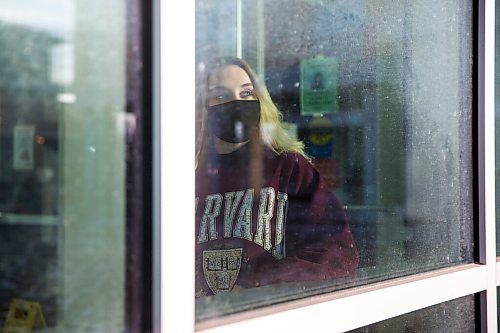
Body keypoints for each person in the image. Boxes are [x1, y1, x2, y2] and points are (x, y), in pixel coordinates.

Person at [195, 57, 358, 296]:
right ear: (202, 108)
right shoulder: (182, 176)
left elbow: (338, 253)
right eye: (220, 96)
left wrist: (260, 285)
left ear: (260, 100)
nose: (236, 103)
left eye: (247, 93)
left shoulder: (288, 168)